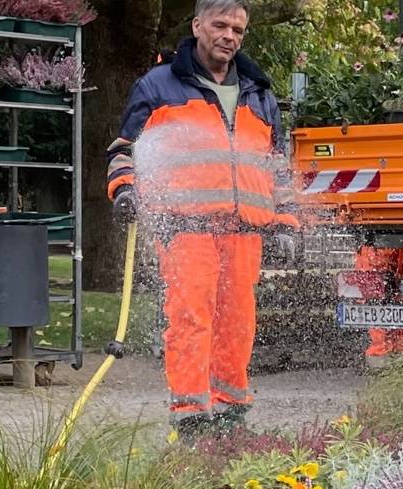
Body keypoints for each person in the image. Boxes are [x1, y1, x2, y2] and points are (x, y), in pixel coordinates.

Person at [107, 0, 298, 436]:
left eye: (238, 29)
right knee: (192, 318)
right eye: (220, 25)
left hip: (244, 232)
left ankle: (230, 414)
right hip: (185, 227)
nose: (229, 36)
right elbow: (123, 150)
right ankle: (191, 417)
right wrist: (126, 189)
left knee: (237, 323)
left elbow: (277, 166)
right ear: (197, 26)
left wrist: (286, 221)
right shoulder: (159, 86)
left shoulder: (259, 92)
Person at [355, 245, 403, 368]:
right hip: (387, 250)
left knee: (377, 306)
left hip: (374, 253)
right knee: (393, 305)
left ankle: (385, 355)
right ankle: (400, 352)